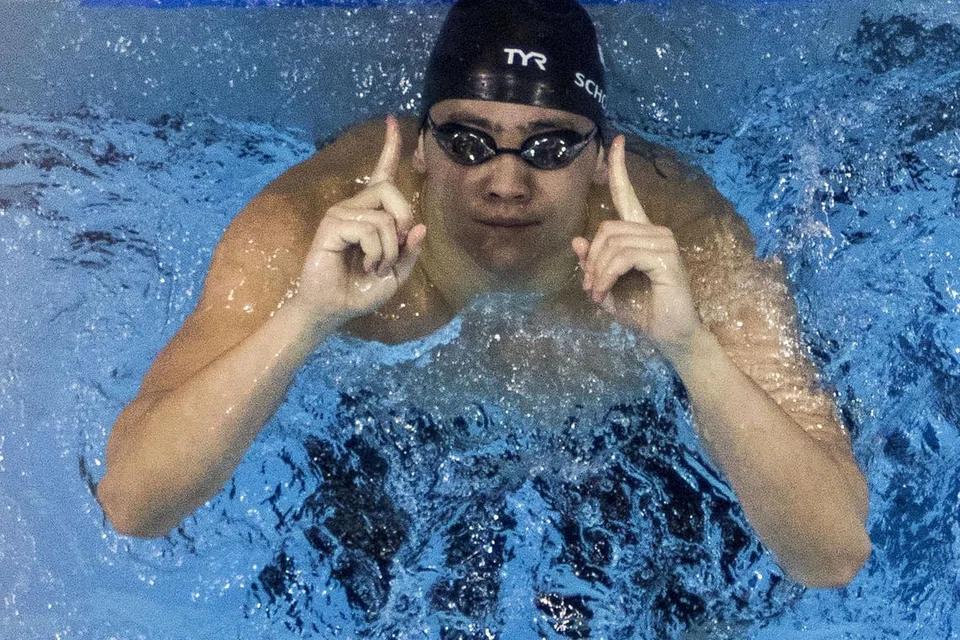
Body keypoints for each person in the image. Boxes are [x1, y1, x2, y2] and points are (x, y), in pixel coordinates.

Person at [97, 0, 870, 588]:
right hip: (385, 438)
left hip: (623, 434)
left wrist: (690, 349)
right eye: (467, 141)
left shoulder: (688, 242)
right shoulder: (306, 229)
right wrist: (306, 318)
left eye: (549, 145)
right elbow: (134, 503)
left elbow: (832, 552)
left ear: (601, 160)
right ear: (422, 147)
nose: (505, 180)